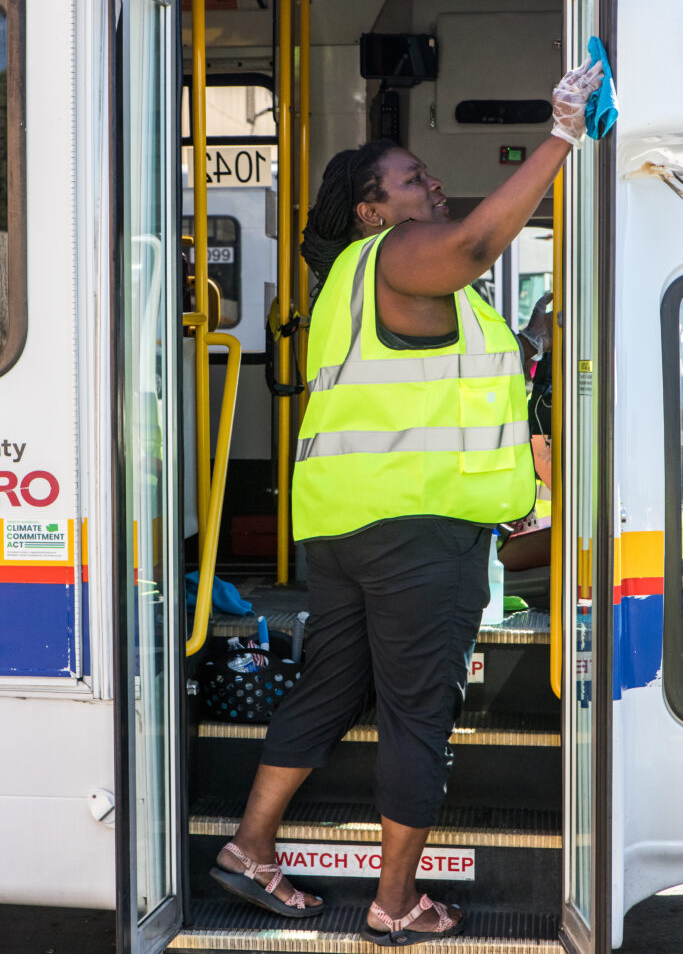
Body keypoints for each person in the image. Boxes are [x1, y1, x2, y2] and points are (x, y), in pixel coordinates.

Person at [210, 57, 603, 945]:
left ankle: (249, 848)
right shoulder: (400, 254)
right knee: (417, 712)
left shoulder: (350, 275)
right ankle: (395, 904)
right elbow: (473, 247)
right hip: (417, 534)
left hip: (346, 526)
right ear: (371, 209)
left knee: (331, 686)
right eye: (408, 177)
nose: (428, 179)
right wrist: (560, 137)